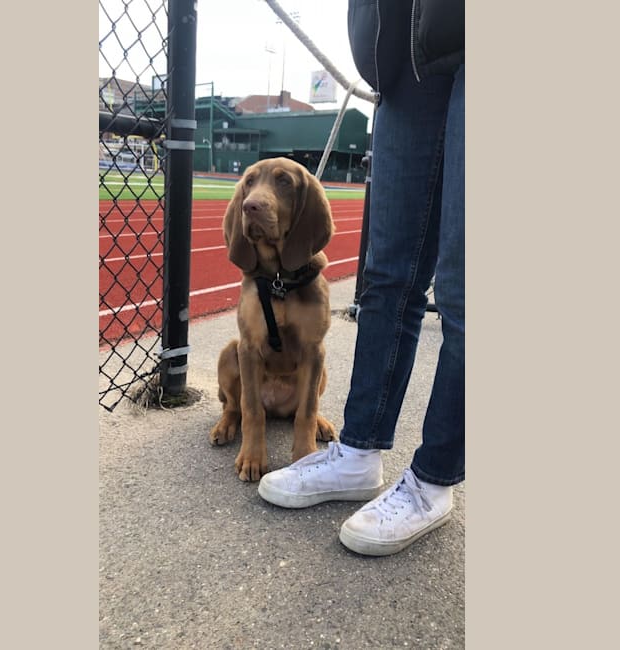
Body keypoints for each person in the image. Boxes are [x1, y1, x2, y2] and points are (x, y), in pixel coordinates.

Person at [257, 0, 465, 557]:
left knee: (466, 286)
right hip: (408, 42)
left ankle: (433, 479)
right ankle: (358, 452)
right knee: (385, 274)